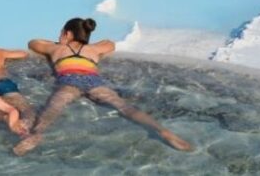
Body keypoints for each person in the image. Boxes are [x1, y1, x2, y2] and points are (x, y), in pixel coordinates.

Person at [13, 17, 192, 156]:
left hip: (69, 81)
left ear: (67, 34)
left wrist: (58, 43)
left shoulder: (57, 49)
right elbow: (109, 43)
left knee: (53, 108)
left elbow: (33, 43)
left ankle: (36, 135)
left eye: (61, 34)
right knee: (125, 107)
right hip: (94, 80)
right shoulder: (93, 50)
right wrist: (88, 44)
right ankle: (163, 130)